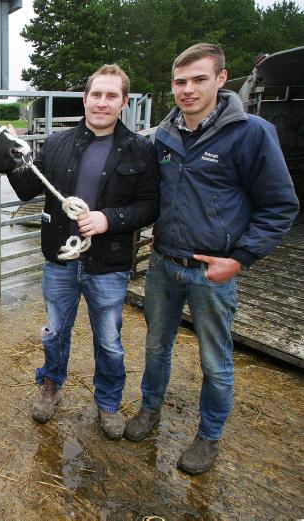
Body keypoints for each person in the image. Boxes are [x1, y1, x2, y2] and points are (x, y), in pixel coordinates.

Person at [124, 43, 299, 474]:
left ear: (221, 80)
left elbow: (280, 206)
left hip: (213, 271)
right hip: (164, 264)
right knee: (155, 346)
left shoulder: (251, 132)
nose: (188, 89)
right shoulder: (162, 136)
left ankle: (209, 435)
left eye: (199, 79)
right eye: (180, 82)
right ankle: (150, 409)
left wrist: (239, 258)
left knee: (214, 361)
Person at [7, 64, 159, 439]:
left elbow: (150, 204)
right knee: (55, 331)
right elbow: (27, 188)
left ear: (124, 102)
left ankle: (108, 403)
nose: (102, 103)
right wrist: (11, 154)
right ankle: (51, 386)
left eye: (111, 96)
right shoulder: (57, 144)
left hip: (108, 264)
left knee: (109, 339)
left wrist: (109, 219)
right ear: (85, 99)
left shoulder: (140, 150)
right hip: (60, 259)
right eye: (96, 95)